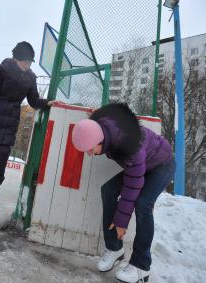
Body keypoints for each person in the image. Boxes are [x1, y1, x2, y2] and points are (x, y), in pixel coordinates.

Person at [71, 103, 175, 283]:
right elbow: (99, 120)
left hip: (161, 165)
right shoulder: (103, 129)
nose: (89, 153)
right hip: (142, 164)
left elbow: (132, 186)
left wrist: (121, 222)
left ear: (99, 140)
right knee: (108, 190)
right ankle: (114, 248)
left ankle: (141, 266)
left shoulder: (129, 145)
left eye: (89, 149)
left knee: (143, 205)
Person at [0, 41, 53, 206]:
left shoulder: (30, 78)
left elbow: (33, 100)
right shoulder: (2, 70)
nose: (28, 64)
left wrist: (47, 103)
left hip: (9, 125)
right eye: (25, 61)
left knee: (0, 160)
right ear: (16, 59)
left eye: (30, 62)